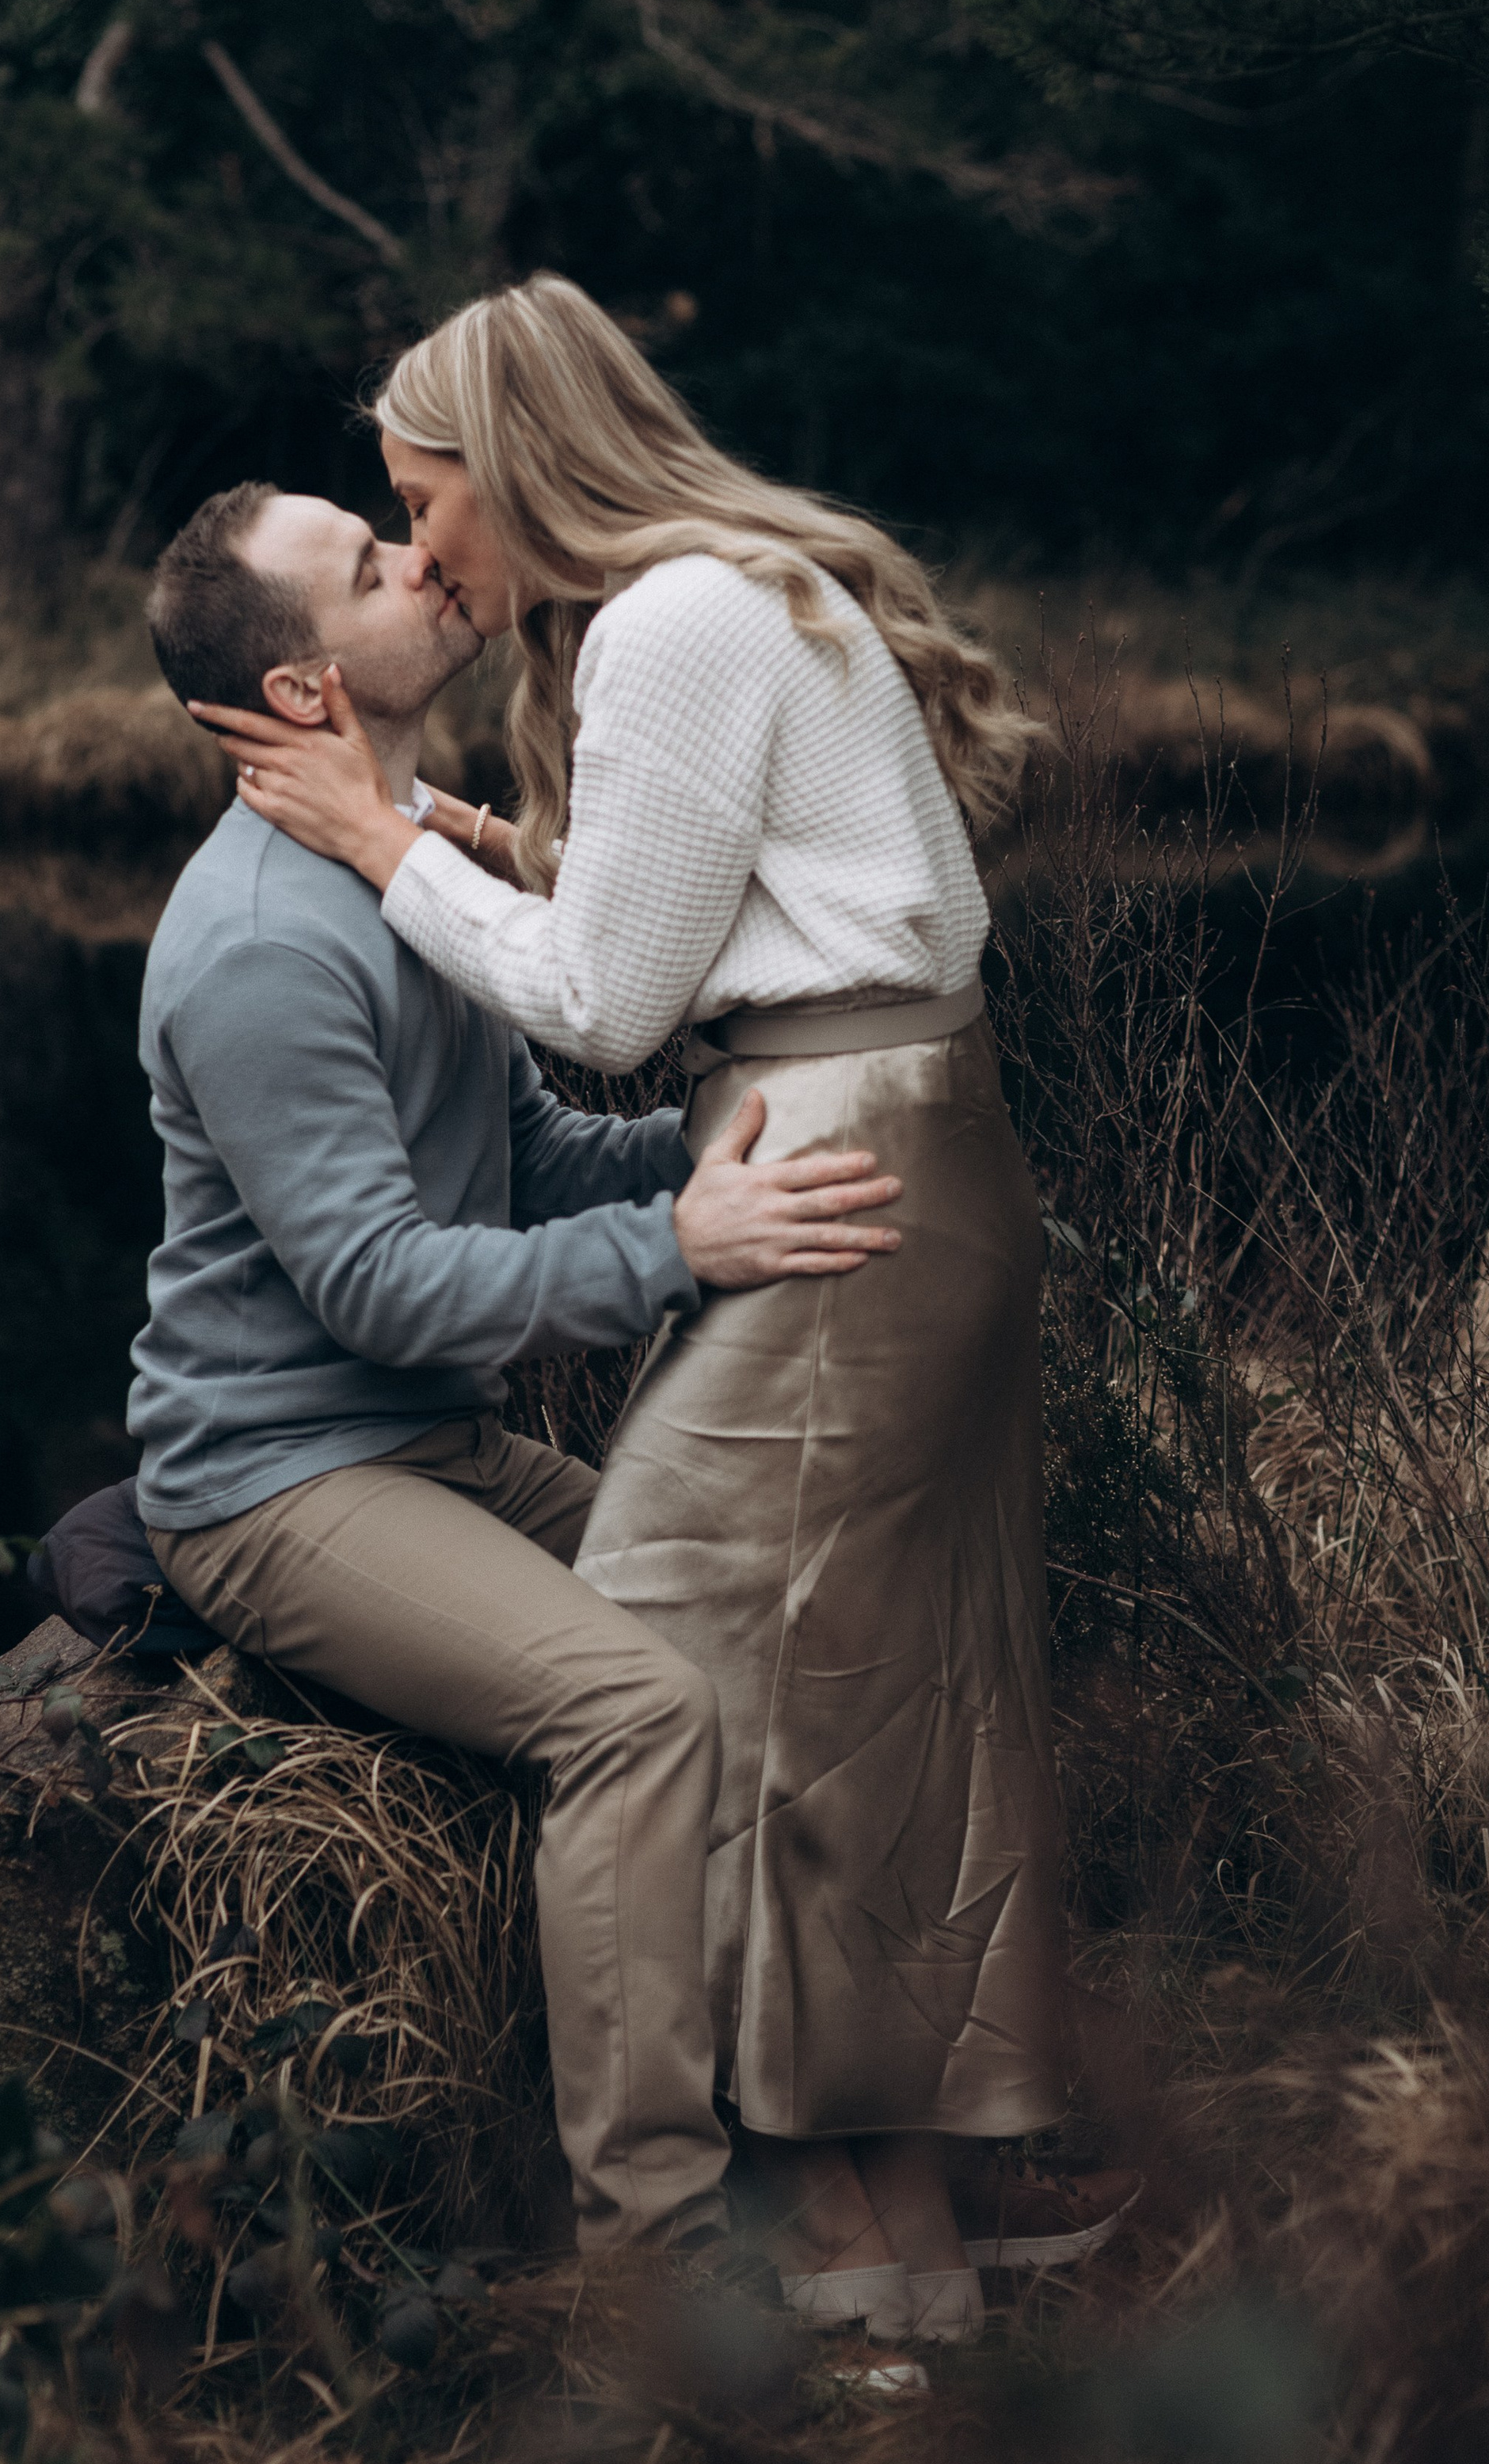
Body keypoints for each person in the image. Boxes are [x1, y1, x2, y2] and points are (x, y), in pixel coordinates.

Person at [189, 276, 1137, 2345]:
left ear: (514, 469)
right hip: (887, 1121)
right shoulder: (736, 594)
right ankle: (917, 2224)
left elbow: (617, 1006)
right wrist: (461, 847)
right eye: (380, 531)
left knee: (683, 1629)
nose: (423, 544)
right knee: (873, 1698)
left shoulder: (672, 625)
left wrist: (385, 837)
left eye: (419, 500)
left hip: (843, 1133)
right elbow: (696, 919)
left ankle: (772, 2251)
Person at [130, 478, 907, 2262]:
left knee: (754, 1634)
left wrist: (726, 1140)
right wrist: (677, 1255)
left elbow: (528, 1158)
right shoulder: (258, 943)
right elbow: (388, 1289)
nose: (420, 561)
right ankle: (657, 2264)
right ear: (310, 684)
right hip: (279, 1483)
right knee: (632, 1714)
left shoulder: (392, 860)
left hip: (426, 1449)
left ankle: (829, 2144)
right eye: (369, 563)